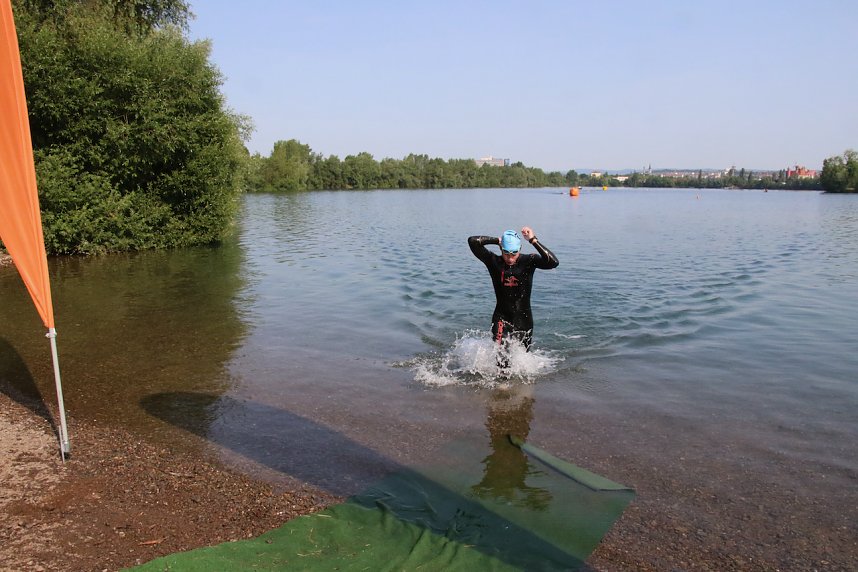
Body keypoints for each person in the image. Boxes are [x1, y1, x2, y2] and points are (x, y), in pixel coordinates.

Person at [468, 227, 559, 352]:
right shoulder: (493, 261)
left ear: (520, 249)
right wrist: (497, 240)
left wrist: (533, 240)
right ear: (501, 249)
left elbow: (553, 262)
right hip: (501, 318)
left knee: (523, 361)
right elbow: (472, 241)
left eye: (514, 254)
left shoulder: (529, 261)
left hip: (524, 320)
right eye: (506, 253)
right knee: (501, 361)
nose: (510, 258)